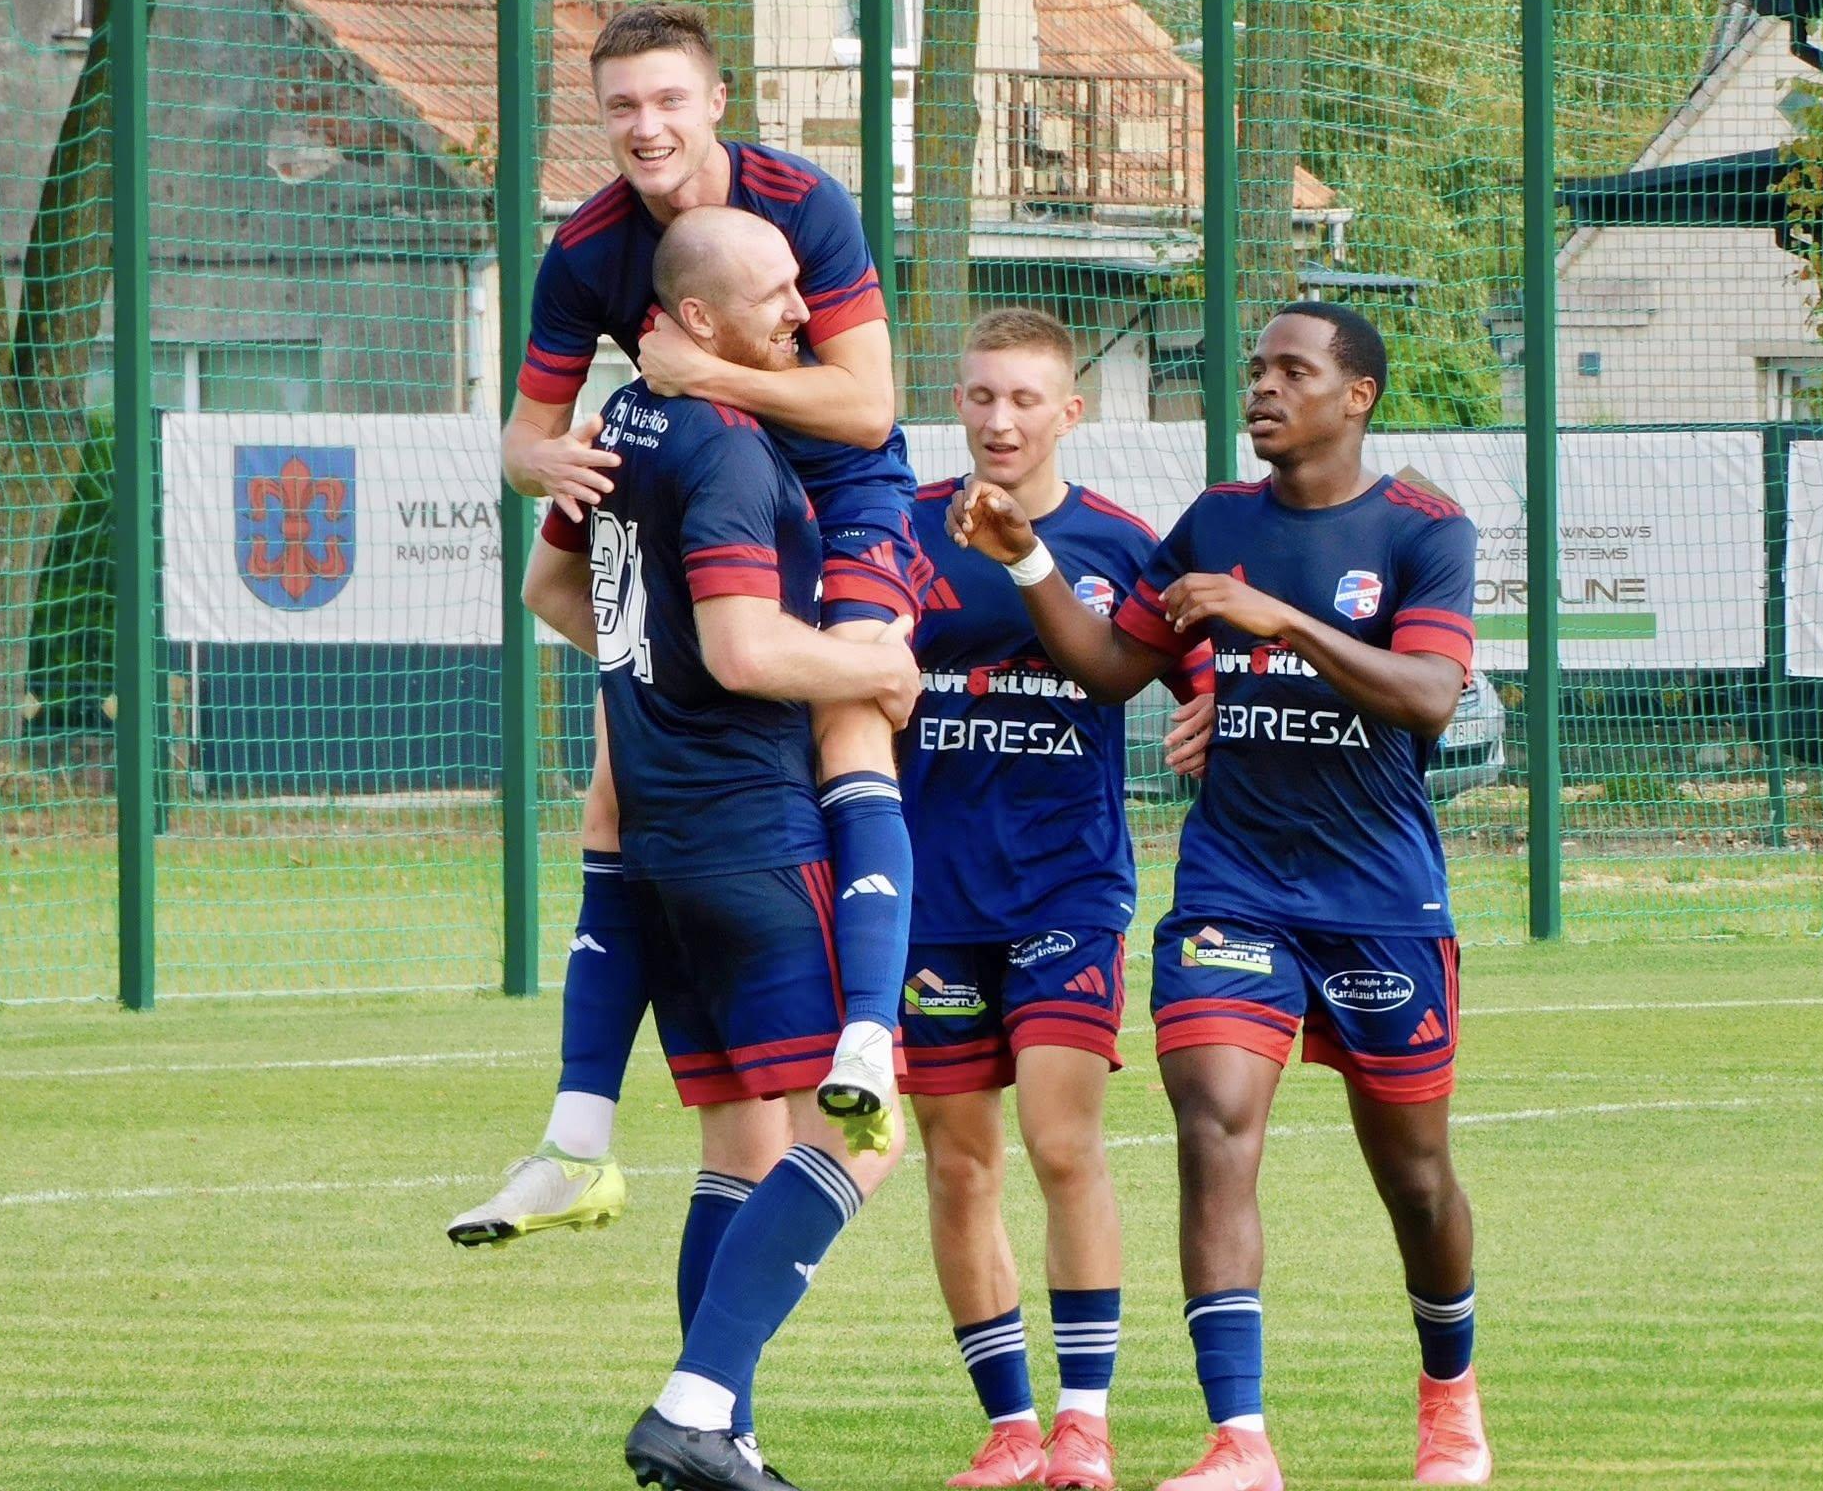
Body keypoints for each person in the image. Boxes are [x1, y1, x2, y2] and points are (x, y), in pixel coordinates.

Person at [947, 303, 1494, 1488]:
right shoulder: (1214, 521)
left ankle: (1448, 1393)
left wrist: (1279, 622)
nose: (1261, 388)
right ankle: (1239, 1441)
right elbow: (1109, 669)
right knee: (1210, 1124)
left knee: (1414, 1179)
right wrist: (1028, 561)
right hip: (1231, 886)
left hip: (1377, 897)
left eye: (1291, 371)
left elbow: (1426, 695)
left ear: (1356, 395)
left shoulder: (1421, 527)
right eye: (1255, 369)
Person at [451, 1, 920, 1252]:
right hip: (706, 477)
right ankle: (575, 1140)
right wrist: (546, 464)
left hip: (836, 488)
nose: (646, 125)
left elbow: (867, 409)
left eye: (668, 99)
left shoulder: (803, 202)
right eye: (622, 106)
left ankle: (864, 1038)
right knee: (614, 791)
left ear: (717, 101)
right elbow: (521, 445)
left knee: (854, 716)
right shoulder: (584, 248)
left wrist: (699, 373)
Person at [534, 205, 917, 1491]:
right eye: (775, 297)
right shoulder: (733, 451)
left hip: (657, 851)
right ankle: (696, 1408)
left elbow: (549, 592)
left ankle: (723, 1435)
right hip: (754, 842)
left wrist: (666, 675)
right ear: (696, 319)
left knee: (741, 1151)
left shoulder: (623, 424)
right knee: (859, 1138)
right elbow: (751, 652)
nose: (804, 314)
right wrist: (870, 667)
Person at [901, 309, 1213, 1491]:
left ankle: (1083, 1424)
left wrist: (1212, 715)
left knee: (1060, 1141)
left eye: (1024, 398)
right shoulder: (899, 532)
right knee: (957, 1163)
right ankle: (1010, 1428)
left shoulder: (1119, 545)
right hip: (930, 898)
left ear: (1069, 412)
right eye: (980, 396)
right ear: (957, 401)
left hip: (1065, 892)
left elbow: (1202, 672)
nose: (999, 419)